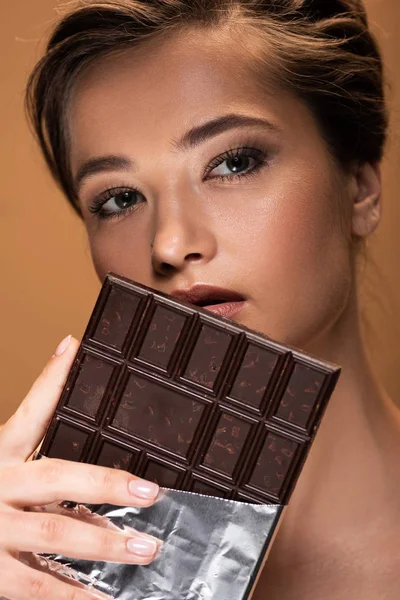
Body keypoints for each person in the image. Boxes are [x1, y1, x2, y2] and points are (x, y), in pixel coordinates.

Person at [0, 0, 399, 598]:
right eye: (118, 199)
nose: (169, 243)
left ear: (360, 185)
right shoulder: (43, 554)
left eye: (234, 162)